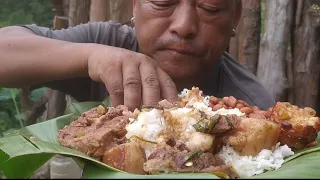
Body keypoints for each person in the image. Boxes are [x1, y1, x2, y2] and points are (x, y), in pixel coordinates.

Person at [0, 0, 275, 111]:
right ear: (135, 5)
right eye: (163, 2)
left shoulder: (250, 108)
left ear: (235, 17)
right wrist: (90, 58)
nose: (184, 25)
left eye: (211, 7)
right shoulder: (108, 43)